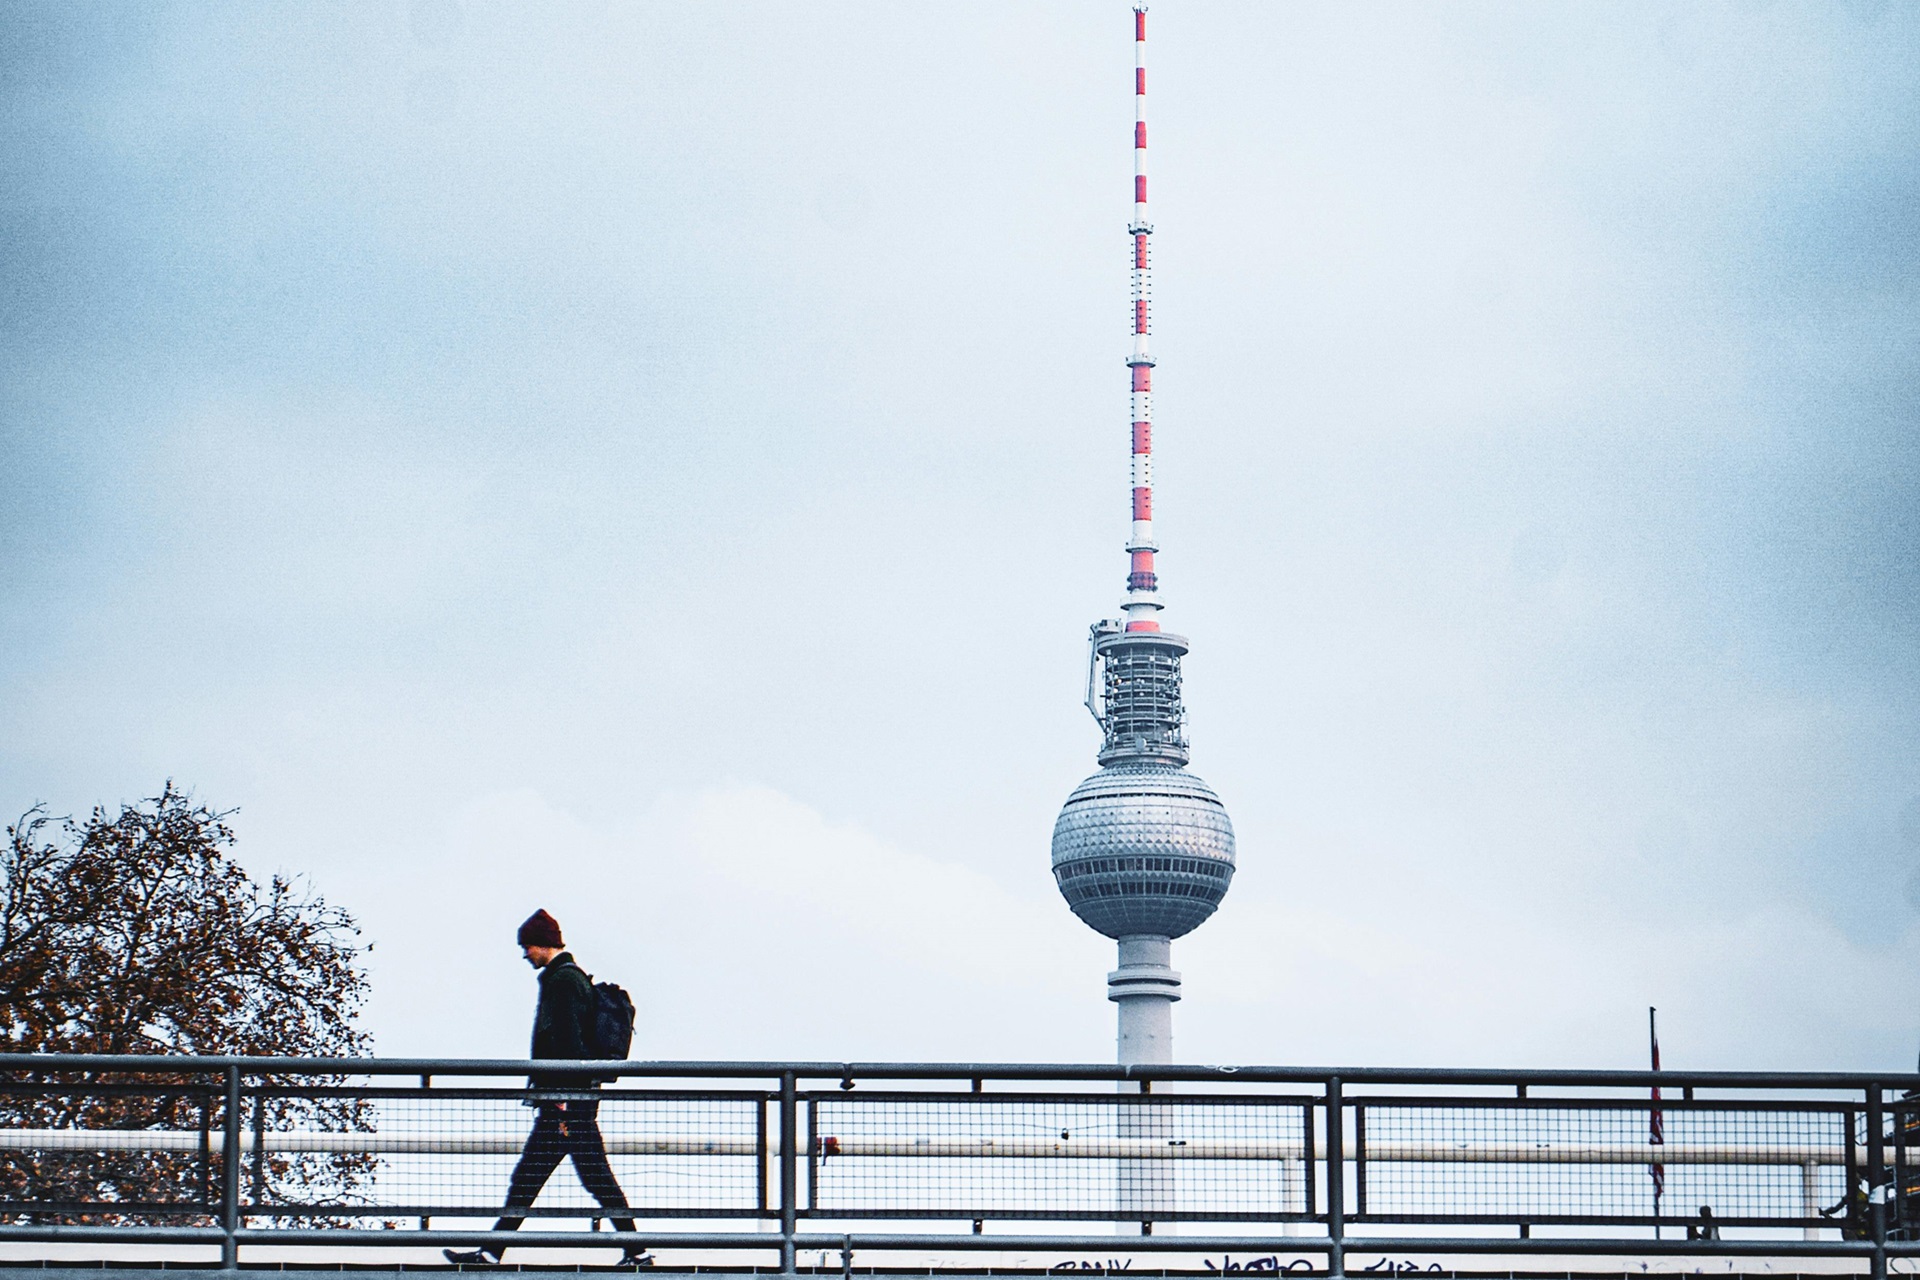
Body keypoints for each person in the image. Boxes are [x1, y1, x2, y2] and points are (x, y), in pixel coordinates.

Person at [445, 911, 650, 1268]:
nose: (525, 954)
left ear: (542, 944)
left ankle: (637, 1253)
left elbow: (566, 1042)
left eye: (526, 946)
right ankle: (492, 1252)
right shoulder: (567, 979)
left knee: (565, 1179)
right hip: (571, 1100)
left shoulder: (563, 982)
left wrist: (560, 1100)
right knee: (555, 1178)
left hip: (566, 1103)